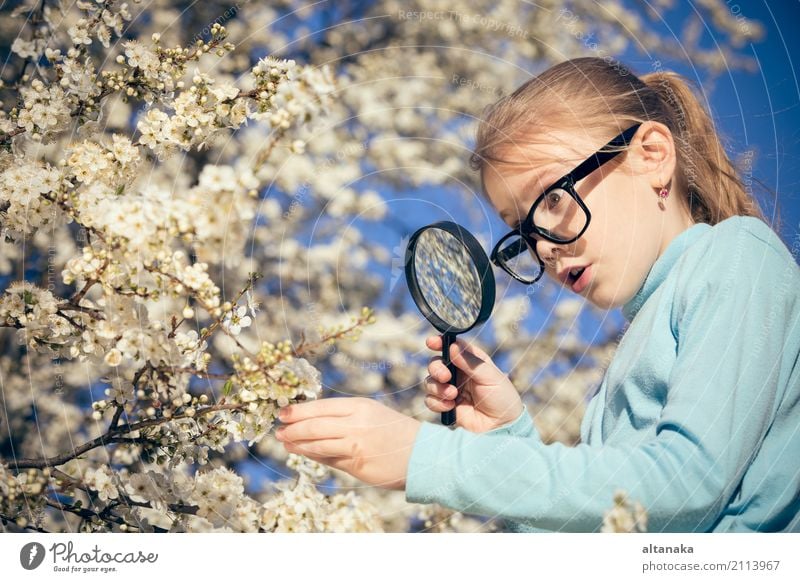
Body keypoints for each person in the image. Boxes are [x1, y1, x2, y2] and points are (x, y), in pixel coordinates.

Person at [274, 57, 800, 532]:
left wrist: (425, 457)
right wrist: (506, 441)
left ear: (652, 156)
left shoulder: (737, 255)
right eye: (523, 231)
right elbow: (624, 534)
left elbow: (687, 485)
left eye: (552, 198)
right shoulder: (636, 341)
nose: (543, 247)